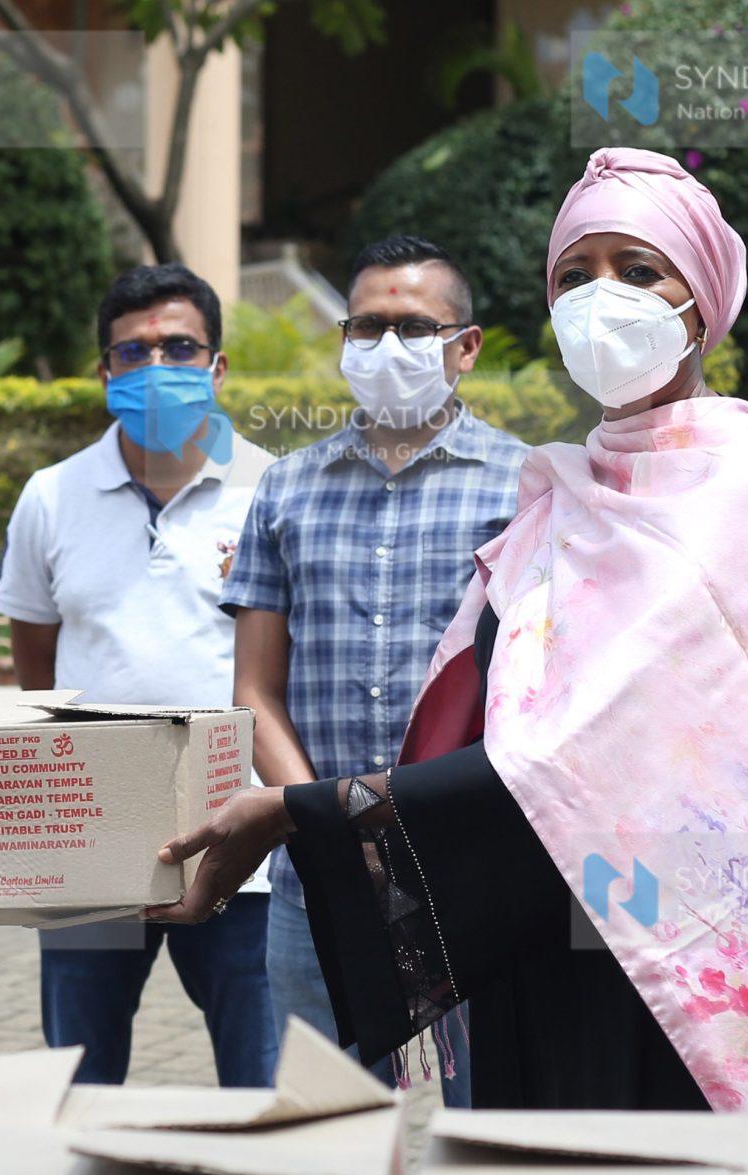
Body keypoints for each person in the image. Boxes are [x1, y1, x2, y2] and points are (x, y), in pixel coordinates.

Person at [149, 149, 748, 1114]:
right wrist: (323, 823)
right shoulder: (563, 494)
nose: (599, 297)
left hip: (703, 958)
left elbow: (583, 748)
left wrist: (299, 812)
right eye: (574, 276)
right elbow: (495, 722)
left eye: (638, 269)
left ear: (701, 303)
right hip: (540, 941)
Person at [221, 235, 529, 1106]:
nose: (388, 346)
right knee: (326, 1130)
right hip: (318, 884)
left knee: (486, 1130)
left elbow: (540, 691)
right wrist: (326, 825)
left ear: (466, 347)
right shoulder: (285, 489)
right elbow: (255, 691)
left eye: (415, 327)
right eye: (367, 327)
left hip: (472, 871)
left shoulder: (526, 487)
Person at [0, 264, 281, 1086]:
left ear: (217, 367)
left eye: (180, 348)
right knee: (80, 1082)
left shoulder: (273, 490)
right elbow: (37, 663)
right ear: (104, 373)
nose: (158, 367)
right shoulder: (52, 497)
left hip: (243, 846)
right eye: (134, 352)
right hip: (91, 844)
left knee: (262, 1084)